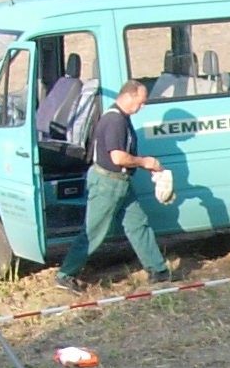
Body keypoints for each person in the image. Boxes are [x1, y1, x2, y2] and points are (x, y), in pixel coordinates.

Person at [54, 81, 171, 291]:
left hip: (120, 183)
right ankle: (65, 275)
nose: (142, 106)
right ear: (128, 96)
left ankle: (159, 271)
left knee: (138, 224)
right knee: (93, 232)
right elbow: (117, 157)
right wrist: (145, 162)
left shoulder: (121, 118)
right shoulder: (114, 120)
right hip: (107, 185)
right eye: (141, 102)